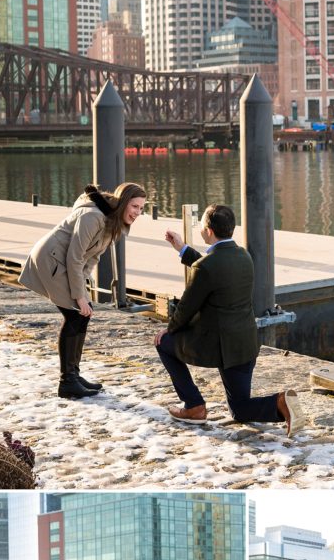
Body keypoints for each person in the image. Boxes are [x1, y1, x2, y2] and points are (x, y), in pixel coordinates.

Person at [155, 204, 304, 434]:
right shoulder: (243, 256)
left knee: (164, 344)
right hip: (245, 344)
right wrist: (182, 248)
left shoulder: (206, 267)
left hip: (219, 346)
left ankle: (194, 406)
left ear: (208, 230)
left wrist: (169, 329)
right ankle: (279, 403)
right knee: (240, 410)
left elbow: (186, 306)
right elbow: (214, 269)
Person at [20, 182, 147, 398]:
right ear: (124, 202)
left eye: (142, 209)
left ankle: (74, 376)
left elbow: (92, 257)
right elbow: (75, 256)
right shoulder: (94, 217)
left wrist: (83, 290)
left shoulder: (113, 223)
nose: (138, 213)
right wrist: (79, 296)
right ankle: (67, 381)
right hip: (51, 259)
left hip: (66, 262)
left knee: (82, 314)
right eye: (135, 206)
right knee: (75, 315)